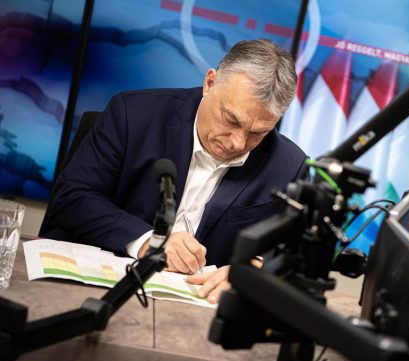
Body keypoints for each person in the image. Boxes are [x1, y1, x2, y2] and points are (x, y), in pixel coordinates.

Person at [42, 39, 307, 303]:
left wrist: (254, 270)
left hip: (196, 311)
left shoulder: (290, 167)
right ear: (210, 83)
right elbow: (72, 197)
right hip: (95, 290)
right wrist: (149, 242)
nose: (237, 143)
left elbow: (299, 253)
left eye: (257, 133)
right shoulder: (133, 114)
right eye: (231, 120)